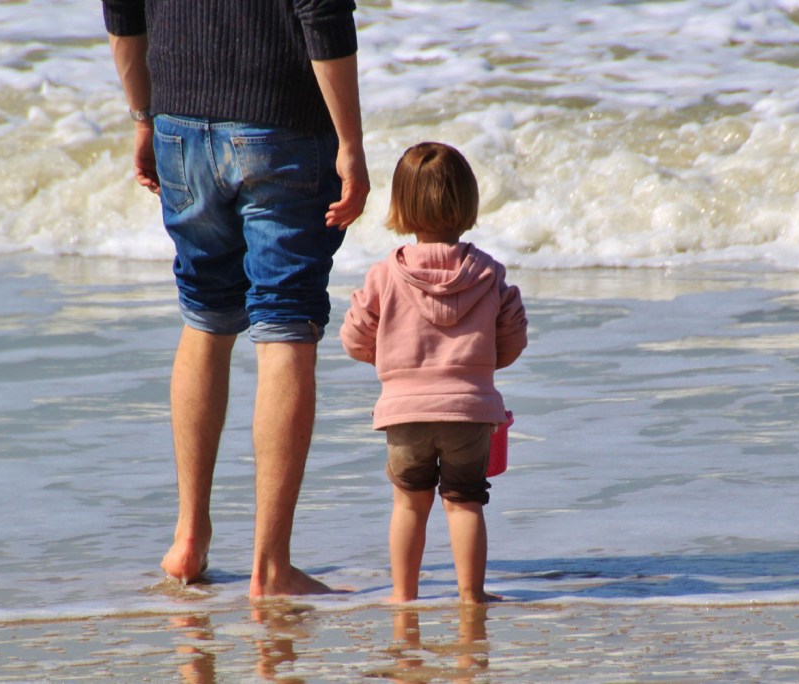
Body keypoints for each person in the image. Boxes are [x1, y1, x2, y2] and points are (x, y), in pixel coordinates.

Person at [101, 0, 370, 597]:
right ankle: (271, 567)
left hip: (179, 119)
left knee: (204, 316)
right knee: (285, 325)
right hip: (281, 121)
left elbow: (121, 9)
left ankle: (188, 540)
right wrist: (350, 140)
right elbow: (321, 10)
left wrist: (143, 116)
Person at [340, 142, 527, 604]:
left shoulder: (386, 274)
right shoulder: (488, 273)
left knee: (409, 502)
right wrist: (480, 368)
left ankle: (403, 595)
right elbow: (512, 338)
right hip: (470, 409)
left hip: (403, 412)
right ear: (468, 202)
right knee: (465, 502)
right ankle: (472, 596)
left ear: (400, 205)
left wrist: (393, 366)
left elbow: (354, 337)